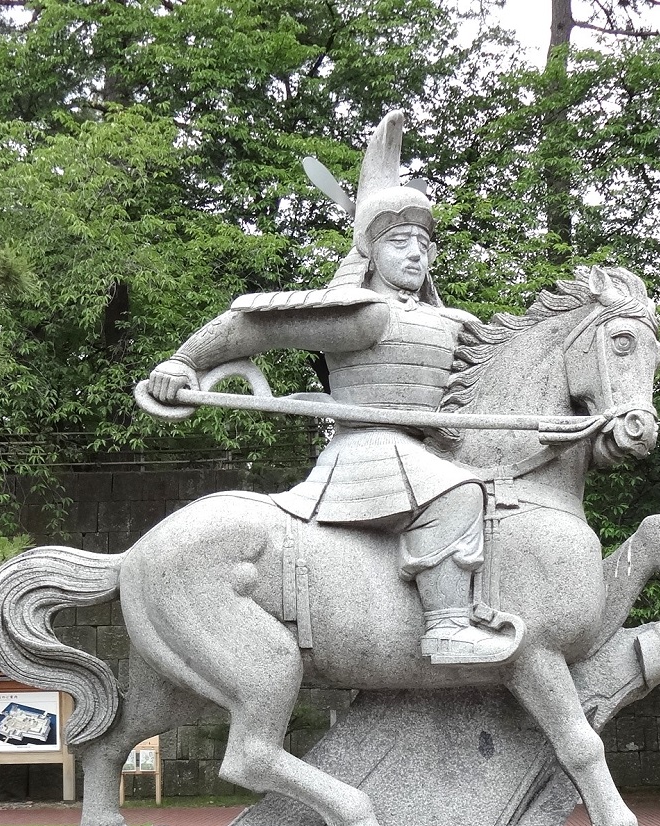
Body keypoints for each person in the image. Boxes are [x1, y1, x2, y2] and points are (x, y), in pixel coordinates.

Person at [143, 112, 520, 665]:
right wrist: (183, 362)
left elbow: (508, 380)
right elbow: (254, 327)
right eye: (400, 242)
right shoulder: (364, 315)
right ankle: (445, 626)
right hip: (369, 448)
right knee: (459, 493)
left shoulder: (457, 322)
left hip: (434, 447)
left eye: (423, 243)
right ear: (371, 253)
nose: (415, 254)